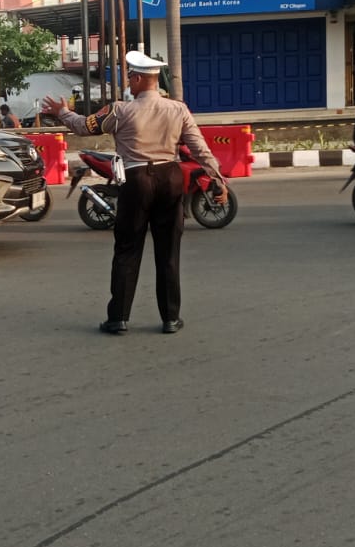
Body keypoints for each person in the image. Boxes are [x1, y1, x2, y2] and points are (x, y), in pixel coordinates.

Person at [41, 50, 225, 335]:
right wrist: (218, 179)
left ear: (138, 79)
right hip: (170, 178)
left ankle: (118, 318)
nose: (128, 83)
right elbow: (199, 149)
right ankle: (171, 318)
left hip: (136, 179)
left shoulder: (119, 110)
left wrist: (62, 112)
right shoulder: (178, 109)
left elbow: (84, 126)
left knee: (127, 249)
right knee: (168, 252)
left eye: (130, 77)